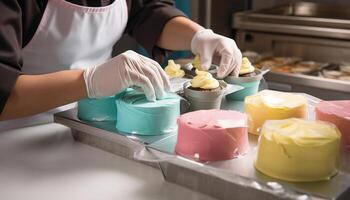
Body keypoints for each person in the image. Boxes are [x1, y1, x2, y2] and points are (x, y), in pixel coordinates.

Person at [0, 0, 242, 130]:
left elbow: (148, 12)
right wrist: (89, 81)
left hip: (89, 124)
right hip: (16, 135)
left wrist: (198, 37)